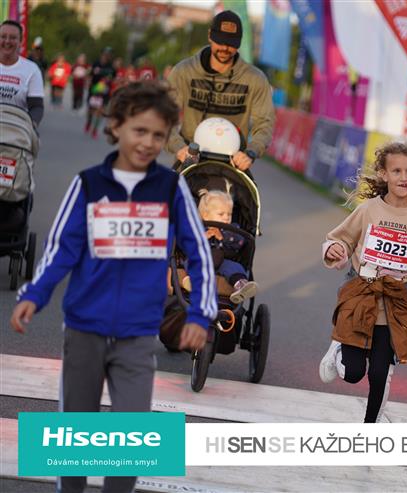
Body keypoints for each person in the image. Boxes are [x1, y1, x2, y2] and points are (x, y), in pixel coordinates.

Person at [9, 81, 216, 493]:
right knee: (76, 435)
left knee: (131, 439)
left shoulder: (171, 188)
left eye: (158, 135)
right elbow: (62, 248)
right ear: (116, 126)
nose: (148, 142)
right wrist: (34, 294)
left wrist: (200, 313)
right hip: (84, 329)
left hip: (138, 334)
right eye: (139, 130)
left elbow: (198, 252)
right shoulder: (88, 184)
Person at [318, 142, 407, 423]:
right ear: (383, 174)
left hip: (393, 304)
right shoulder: (369, 210)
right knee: (353, 373)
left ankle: (370, 427)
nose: (404, 177)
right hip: (360, 294)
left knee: (380, 373)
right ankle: (338, 347)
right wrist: (335, 249)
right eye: (397, 171)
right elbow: (341, 238)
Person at [166, 10, 275, 172]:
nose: (225, 48)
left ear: (239, 42)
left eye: (231, 43)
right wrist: (179, 147)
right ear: (210, 35)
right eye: (220, 41)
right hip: (190, 160)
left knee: (250, 190)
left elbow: (264, 124)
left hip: (234, 165)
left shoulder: (255, 79)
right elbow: (163, 116)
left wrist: (250, 152)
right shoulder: (183, 71)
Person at [183, 189, 258, 304]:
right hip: (201, 260)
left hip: (224, 261)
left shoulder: (232, 229)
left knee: (236, 267)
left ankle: (241, 286)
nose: (226, 218)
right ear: (205, 216)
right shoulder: (197, 228)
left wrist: (222, 237)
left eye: (229, 214)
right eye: (221, 214)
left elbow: (240, 243)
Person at [0, 20, 44, 127]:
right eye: (3, 36)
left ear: (21, 41)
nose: (7, 41)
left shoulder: (32, 70)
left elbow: (36, 107)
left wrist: (31, 125)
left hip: (17, 130)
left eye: (13, 38)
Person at [85, 47, 115, 134]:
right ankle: (89, 122)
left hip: (104, 89)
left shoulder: (111, 67)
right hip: (94, 88)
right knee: (91, 108)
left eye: (109, 54)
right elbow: (90, 74)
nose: (107, 56)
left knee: (100, 109)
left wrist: (109, 80)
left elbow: (114, 77)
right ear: (102, 54)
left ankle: (95, 129)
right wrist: (88, 81)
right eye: (105, 54)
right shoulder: (96, 63)